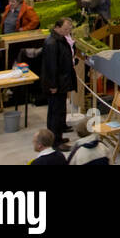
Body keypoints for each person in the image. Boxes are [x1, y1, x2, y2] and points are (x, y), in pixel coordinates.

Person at [40, 18, 76, 149]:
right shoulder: (52, 43)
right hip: (56, 84)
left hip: (62, 82)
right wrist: (53, 85)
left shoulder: (60, 39)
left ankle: (58, 137)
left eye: (69, 29)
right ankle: (56, 142)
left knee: (60, 111)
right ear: (57, 27)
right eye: (66, 29)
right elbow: (51, 67)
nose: (68, 31)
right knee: (55, 113)